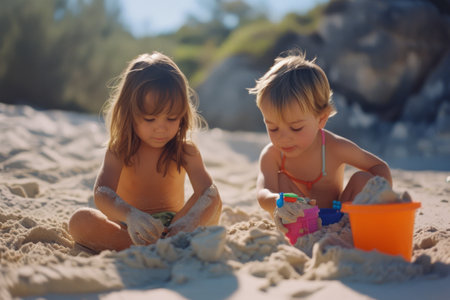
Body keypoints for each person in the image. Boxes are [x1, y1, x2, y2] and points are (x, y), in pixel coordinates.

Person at [69, 52, 222, 252]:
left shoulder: (185, 150)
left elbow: (207, 192)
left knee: (212, 196)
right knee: (79, 221)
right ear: (128, 113)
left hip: (175, 224)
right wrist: (130, 215)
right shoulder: (120, 150)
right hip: (130, 226)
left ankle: (171, 240)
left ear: (183, 114)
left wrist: (183, 225)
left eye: (172, 118)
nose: (161, 128)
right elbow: (102, 193)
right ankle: (151, 246)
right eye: (150, 119)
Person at [248, 50, 392, 231]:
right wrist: (278, 202)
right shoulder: (272, 155)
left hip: (340, 218)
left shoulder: (335, 147)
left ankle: (352, 224)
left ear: (321, 119)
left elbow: (380, 168)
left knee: (364, 178)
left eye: (296, 128)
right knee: (281, 180)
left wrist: (383, 199)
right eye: (273, 128)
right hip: (297, 221)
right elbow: (263, 193)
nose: (283, 137)